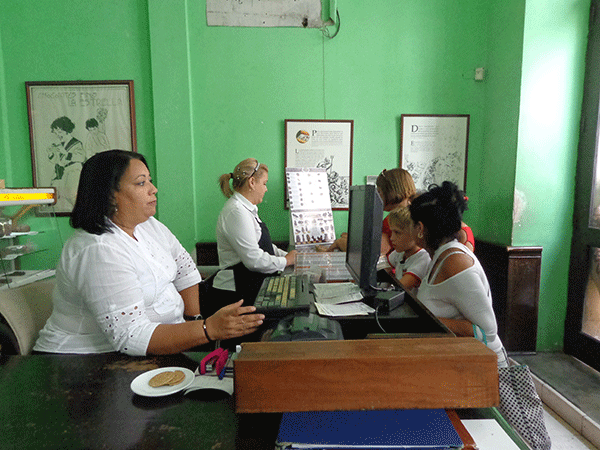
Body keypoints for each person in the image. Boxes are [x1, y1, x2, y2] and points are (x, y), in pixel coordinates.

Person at [34, 150, 264, 356]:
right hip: (86, 362)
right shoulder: (98, 249)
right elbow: (131, 337)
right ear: (110, 194)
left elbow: (185, 268)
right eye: (141, 183)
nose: (153, 189)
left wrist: (193, 321)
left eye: (150, 181)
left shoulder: (148, 225)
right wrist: (207, 330)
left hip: (161, 343)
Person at [408, 181, 508, 367]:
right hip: (463, 359)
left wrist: (429, 320)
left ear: (420, 229)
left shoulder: (454, 262)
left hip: (485, 368)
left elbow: (487, 331)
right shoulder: (438, 256)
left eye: (411, 224)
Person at [210, 158, 297, 313]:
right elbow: (253, 259)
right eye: (264, 183)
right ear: (251, 182)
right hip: (236, 293)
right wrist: (286, 260)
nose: (266, 189)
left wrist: (289, 257)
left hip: (251, 284)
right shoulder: (236, 211)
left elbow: (264, 245)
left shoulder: (247, 209)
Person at [386, 206, 431, 294]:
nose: (392, 238)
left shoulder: (424, 258)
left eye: (397, 233)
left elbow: (401, 287)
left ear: (417, 232)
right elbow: (383, 268)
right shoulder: (400, 253)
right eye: (392, 232)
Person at [47, 116, 86, 210]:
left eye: (60, 132)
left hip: (74, 170)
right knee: (55, 194)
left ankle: (80, 211)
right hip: (62, 171)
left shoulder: (76, 143)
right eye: (56, 133)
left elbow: (81, 158)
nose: (58, 135)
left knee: (70, 194)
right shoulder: (60, 144)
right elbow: (56, 160)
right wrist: (51, 154)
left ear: (67, 130)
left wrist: (65, 152)